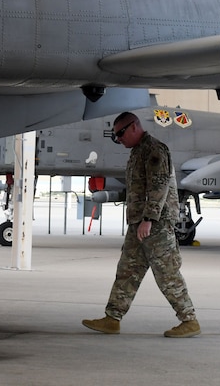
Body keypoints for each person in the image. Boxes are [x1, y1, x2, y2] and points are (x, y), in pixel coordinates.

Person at [82, 111, 200, 337]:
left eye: (121, 133)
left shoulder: (154, 150)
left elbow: (159, 186)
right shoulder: (138, 152)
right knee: (127, 270)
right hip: (140, 223)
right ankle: (112, 317)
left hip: (155, 224)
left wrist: (149, 219)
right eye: (115, 136)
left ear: (134, 127)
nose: (119, 139)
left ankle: (189, 320)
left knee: (167, 273)